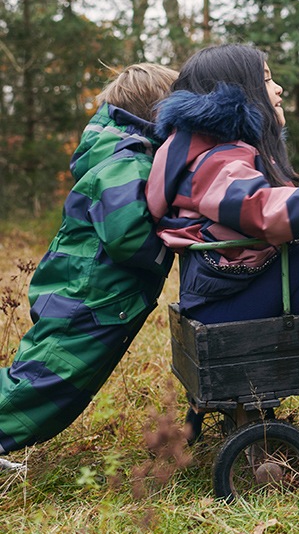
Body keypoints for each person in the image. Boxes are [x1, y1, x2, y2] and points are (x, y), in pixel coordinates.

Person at [0, 64, 179, 468]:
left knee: (57, 391)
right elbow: (126, 237)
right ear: (160, 113)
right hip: (88, 298)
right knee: (39, 387)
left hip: (93, 296)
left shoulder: (124, 153)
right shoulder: (124, 161)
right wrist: (173, 243)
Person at [146, 44, 299, 324]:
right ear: (239, 93)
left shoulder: (234, 151)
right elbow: (259, 209)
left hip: (238, 290)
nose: (279, 88)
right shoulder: (214, 161)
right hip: (217, 308)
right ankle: (297, 342)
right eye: (266, 80)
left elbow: (284, 201)